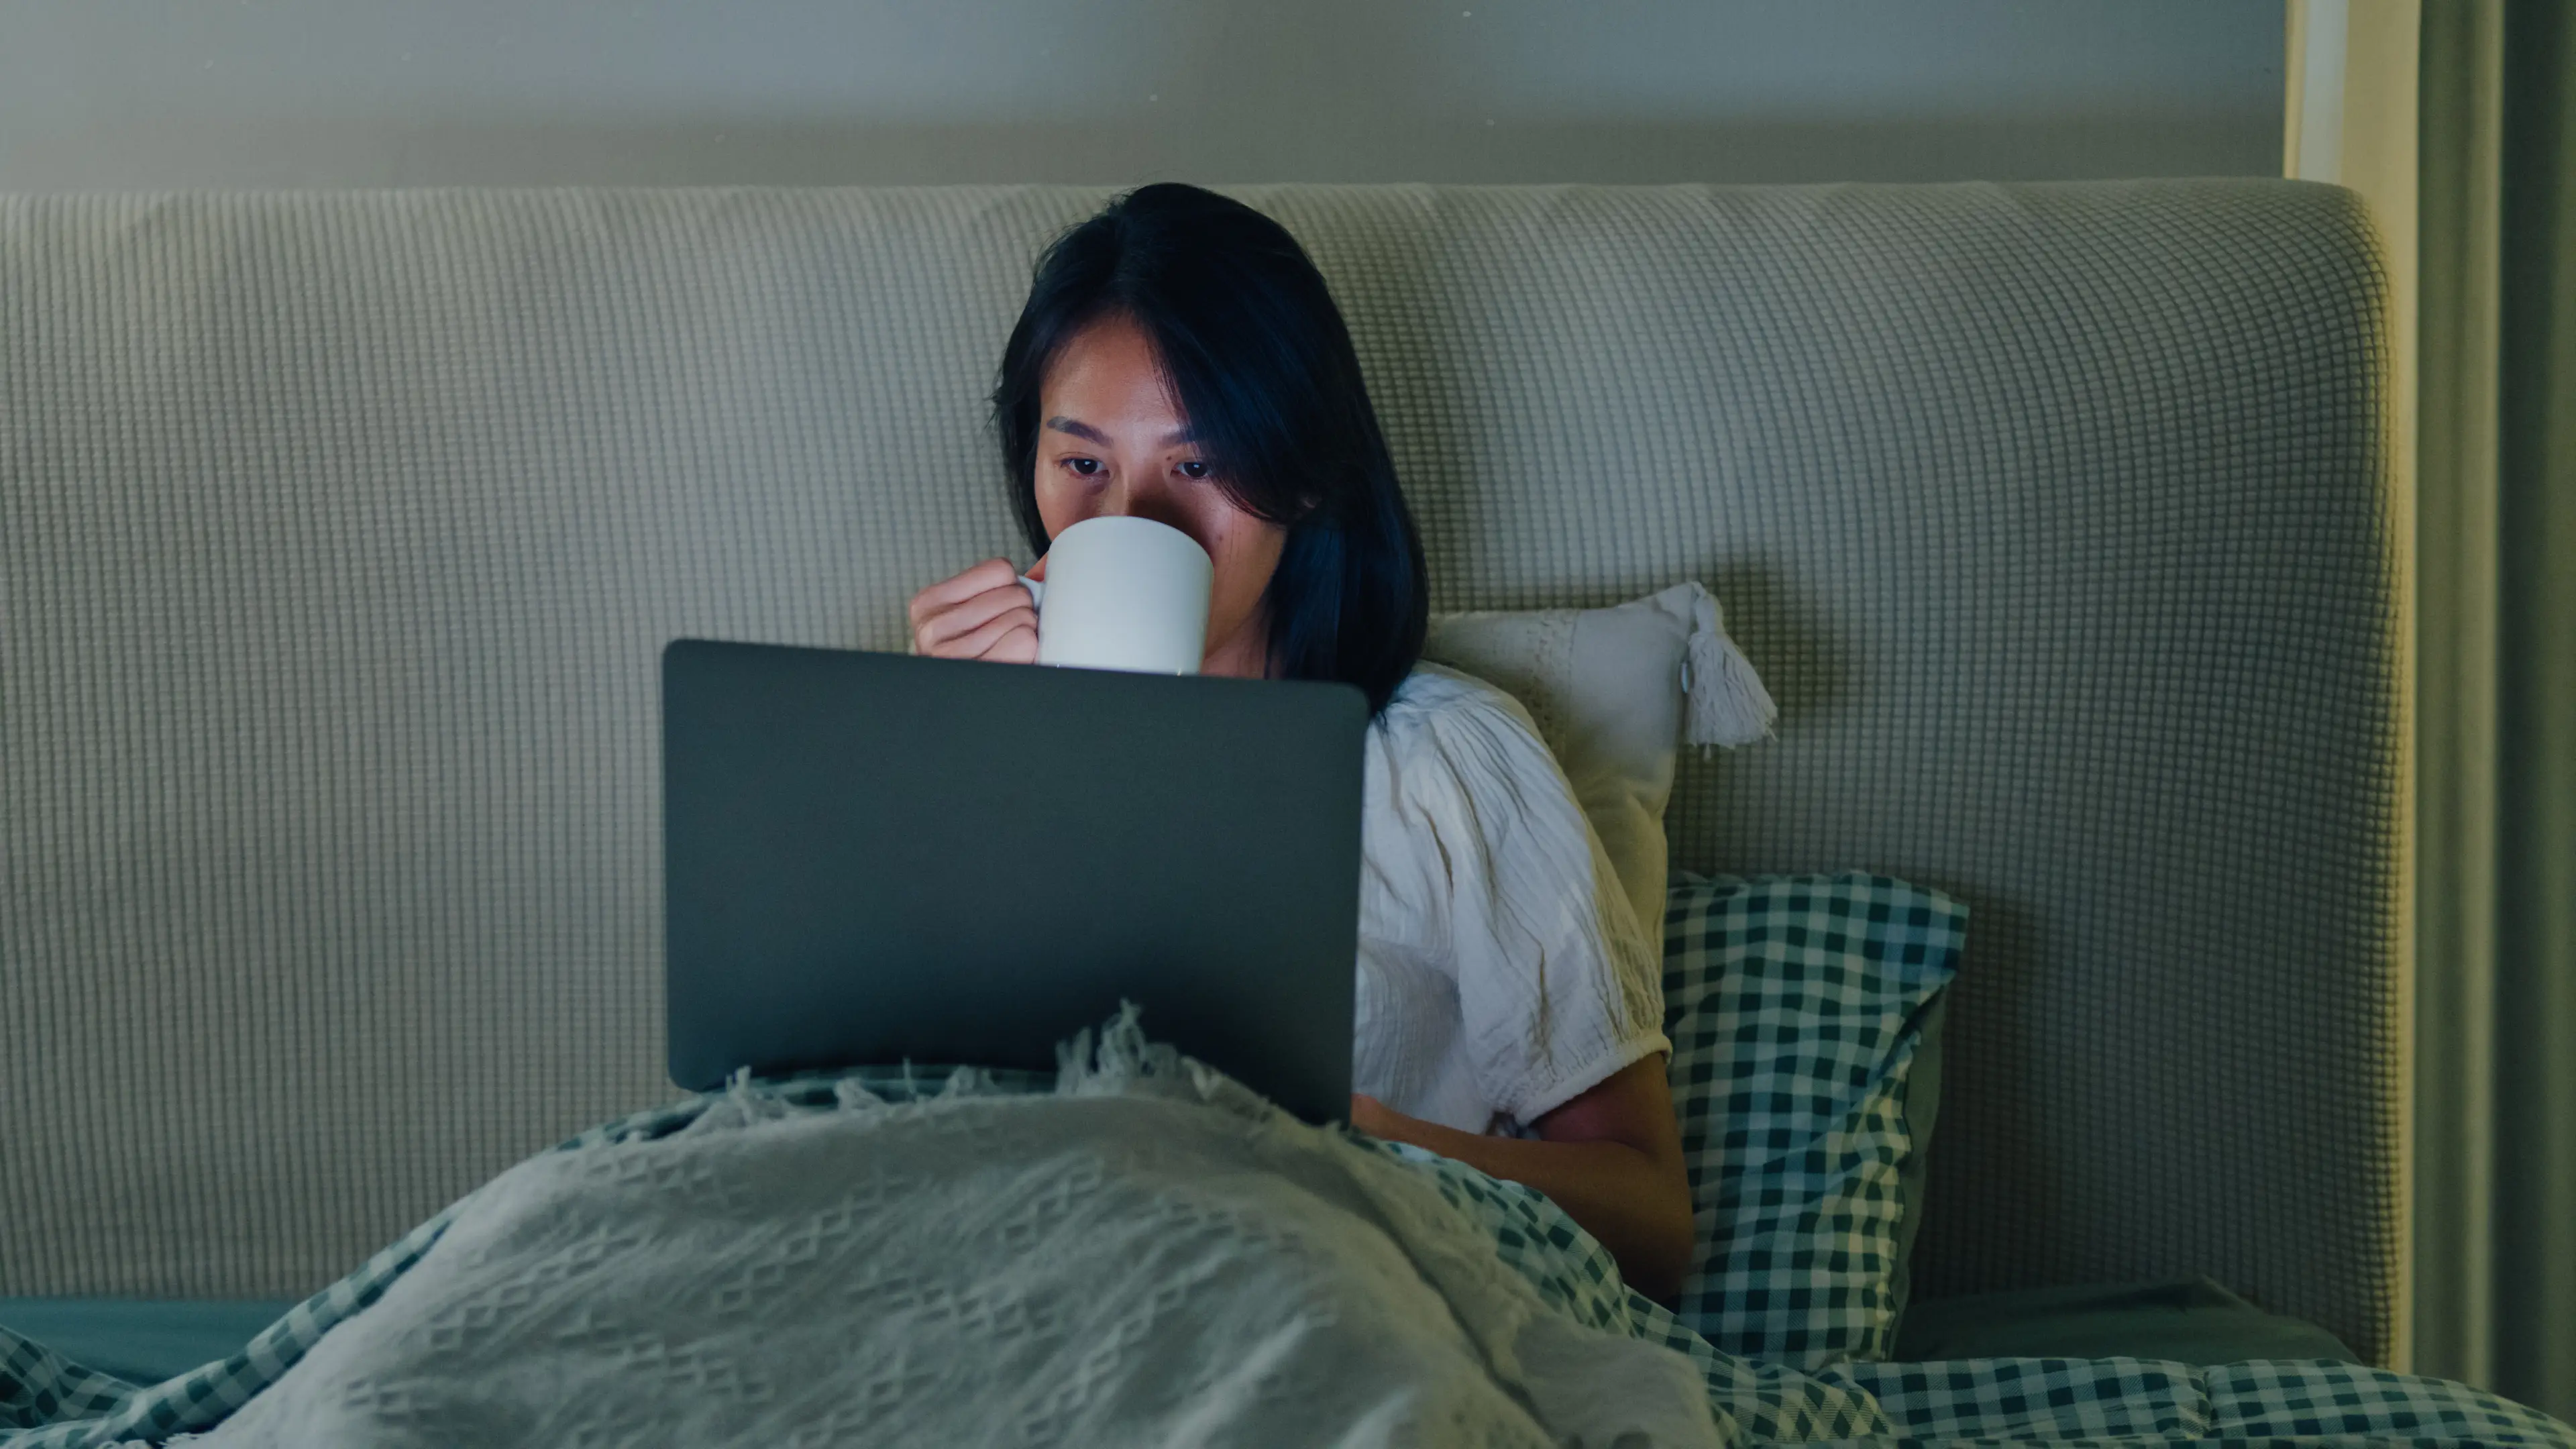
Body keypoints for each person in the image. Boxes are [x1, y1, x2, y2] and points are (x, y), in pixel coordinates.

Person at [906, 182, 1695, 1304]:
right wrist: (935, 758)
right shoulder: (952, 746)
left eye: (1199, 464)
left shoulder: (1443, 762)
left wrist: (1357, 1143)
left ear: (1306, 474)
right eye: (1082, 465)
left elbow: (1652, 1227)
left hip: (1312, 1308)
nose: (1129, 522)